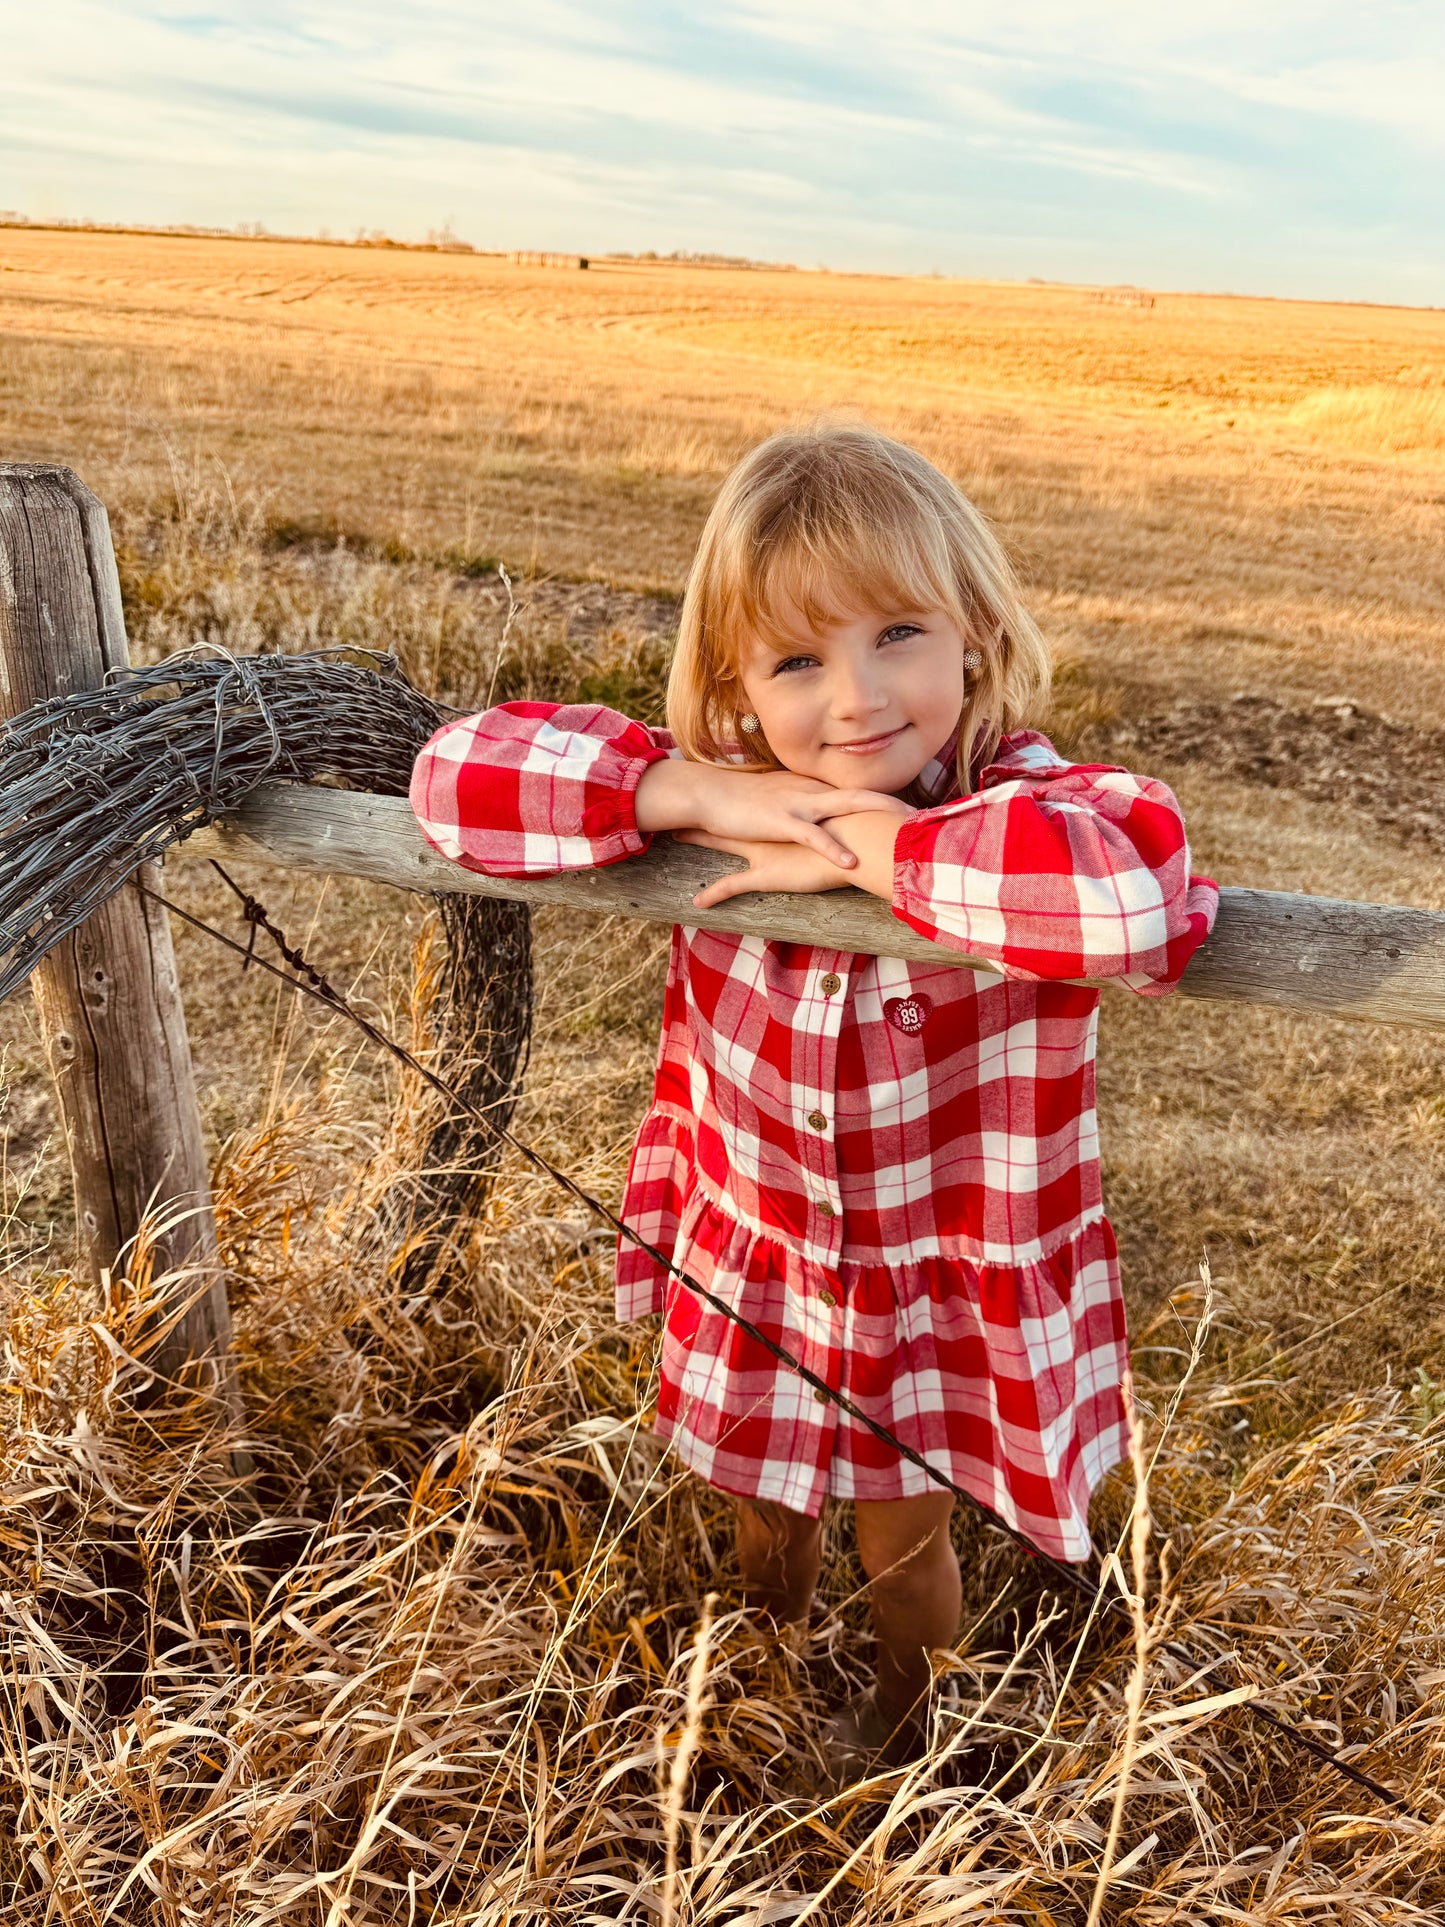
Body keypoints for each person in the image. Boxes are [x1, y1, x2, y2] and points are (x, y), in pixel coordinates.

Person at [408, 425, 1218, 1770]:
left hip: (934, 1281)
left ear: (971, 631)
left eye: (896, 633)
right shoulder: (728, 802)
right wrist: (702, 792)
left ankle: (906, 1716)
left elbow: (1126, 890)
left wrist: (875, 850)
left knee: (903, 1550)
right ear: (735, 685)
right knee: (760, 1518)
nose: (853, 700)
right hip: (765, 1251)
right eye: (796, 661)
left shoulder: (1027, 799)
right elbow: (455, 782)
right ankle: (765, 1679)